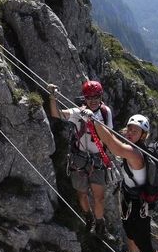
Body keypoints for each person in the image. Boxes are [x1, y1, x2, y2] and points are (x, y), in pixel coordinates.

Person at [84, 111, 158, 252]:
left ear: (143, 136)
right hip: (129, 197)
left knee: (143, 240)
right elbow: (114, 141)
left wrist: (95, 120)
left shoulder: (135, 153)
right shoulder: (130, 146)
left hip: (139, 203)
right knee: (129, 229)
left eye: (136, 131)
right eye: (129, 129)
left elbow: (113, 146)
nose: (131, 133)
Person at [48, 80, 115, 240]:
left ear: (101, 96)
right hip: (79, 158)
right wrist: (52, 97)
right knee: (82, 194)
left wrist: (94, 122)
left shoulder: (105, 112)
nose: (93, 100)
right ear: (84, 97)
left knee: (99, 197)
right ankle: (89, 218)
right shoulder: (78, 112)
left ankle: (100, 225)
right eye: (89, 97)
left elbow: (109, 137)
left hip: (97, 159)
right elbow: (56, 114)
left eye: (96, 97)